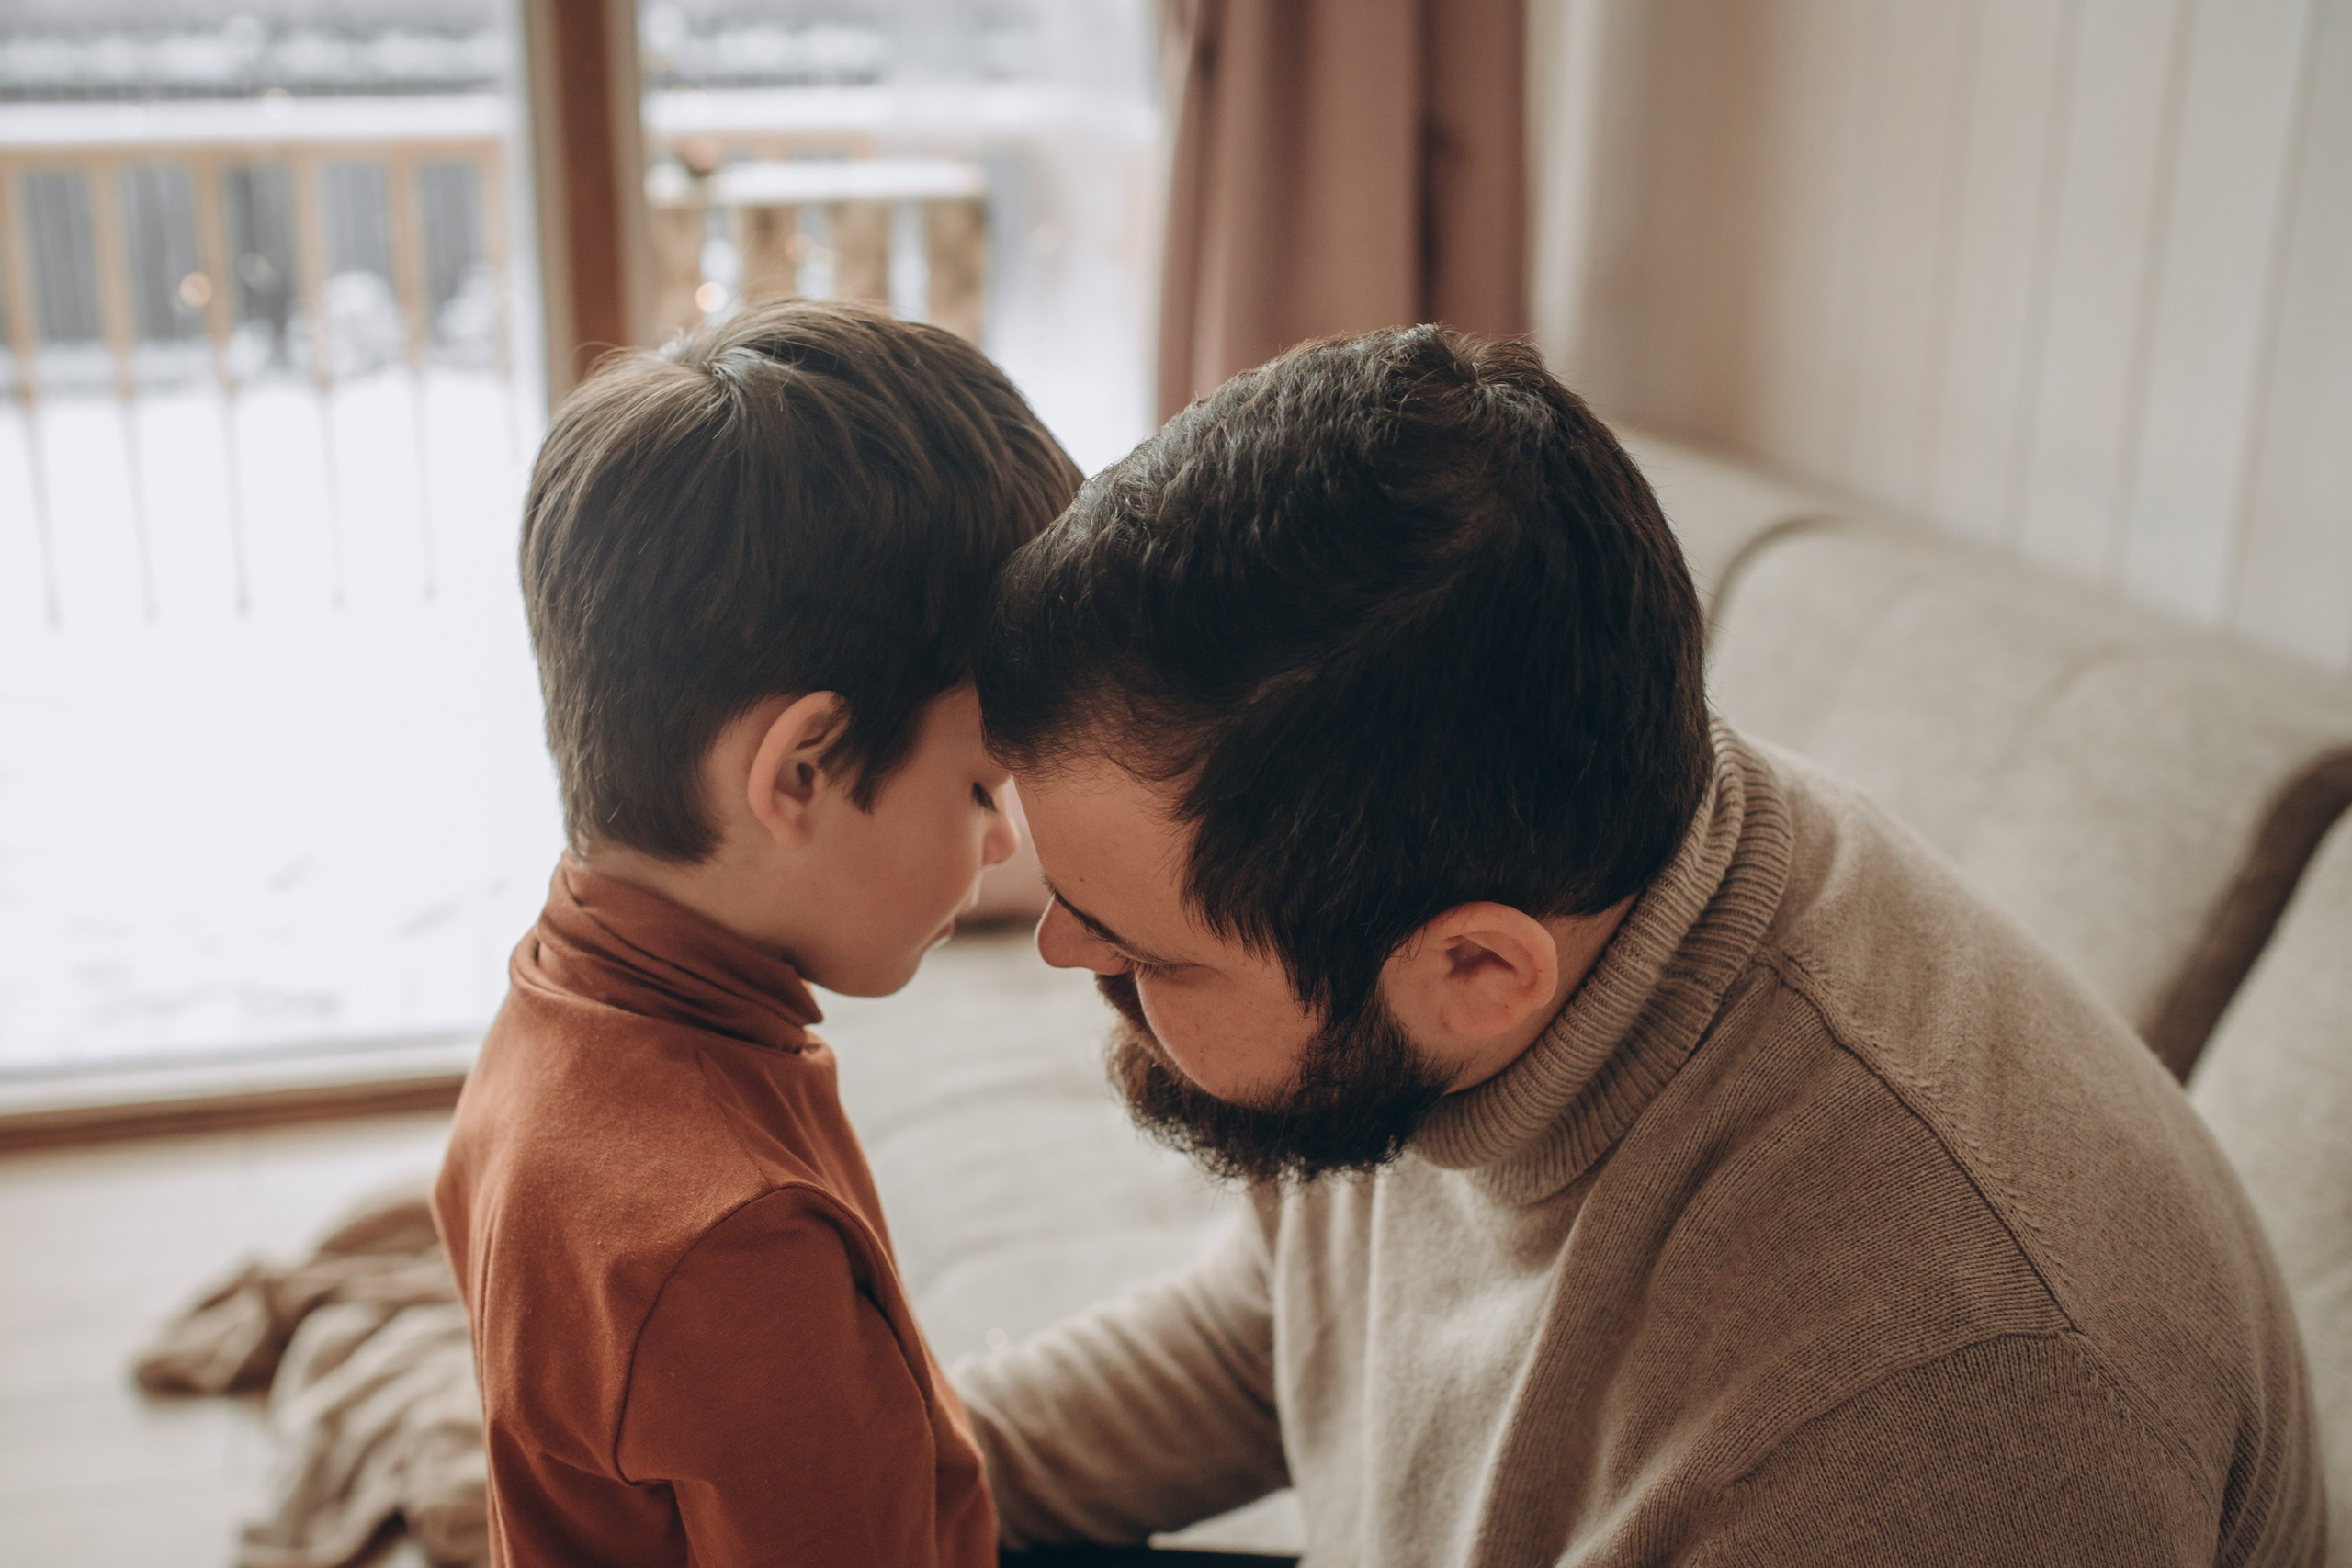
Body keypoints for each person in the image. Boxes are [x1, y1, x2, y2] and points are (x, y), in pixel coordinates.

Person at [957, 326, 2324, 1565]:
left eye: (1147, 955)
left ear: (1479, 975)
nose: (1067, 955)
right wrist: (875, 1470)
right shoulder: (1527, 821)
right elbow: (1280, 1328)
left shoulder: (1935, 1414)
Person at [433, 299, 1080, 1566]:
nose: (1005, 843)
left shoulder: (550, 1015)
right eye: (978, 788)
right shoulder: (737, 1248)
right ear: (801, 772)